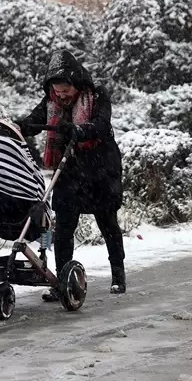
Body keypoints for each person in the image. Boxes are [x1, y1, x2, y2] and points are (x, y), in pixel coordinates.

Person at [16, 49, 126, 297]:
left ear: (77, 84)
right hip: (69, 168)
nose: (62, 95)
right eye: (58, 91)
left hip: (100, 169)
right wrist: (20, 126)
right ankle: (62, 281)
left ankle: (118, 275)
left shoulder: (97, 96)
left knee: (107, 223)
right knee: (64, 226)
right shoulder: (51, 100)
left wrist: (79, 129)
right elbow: (36, 118)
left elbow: (102, 124)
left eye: (66, 90)